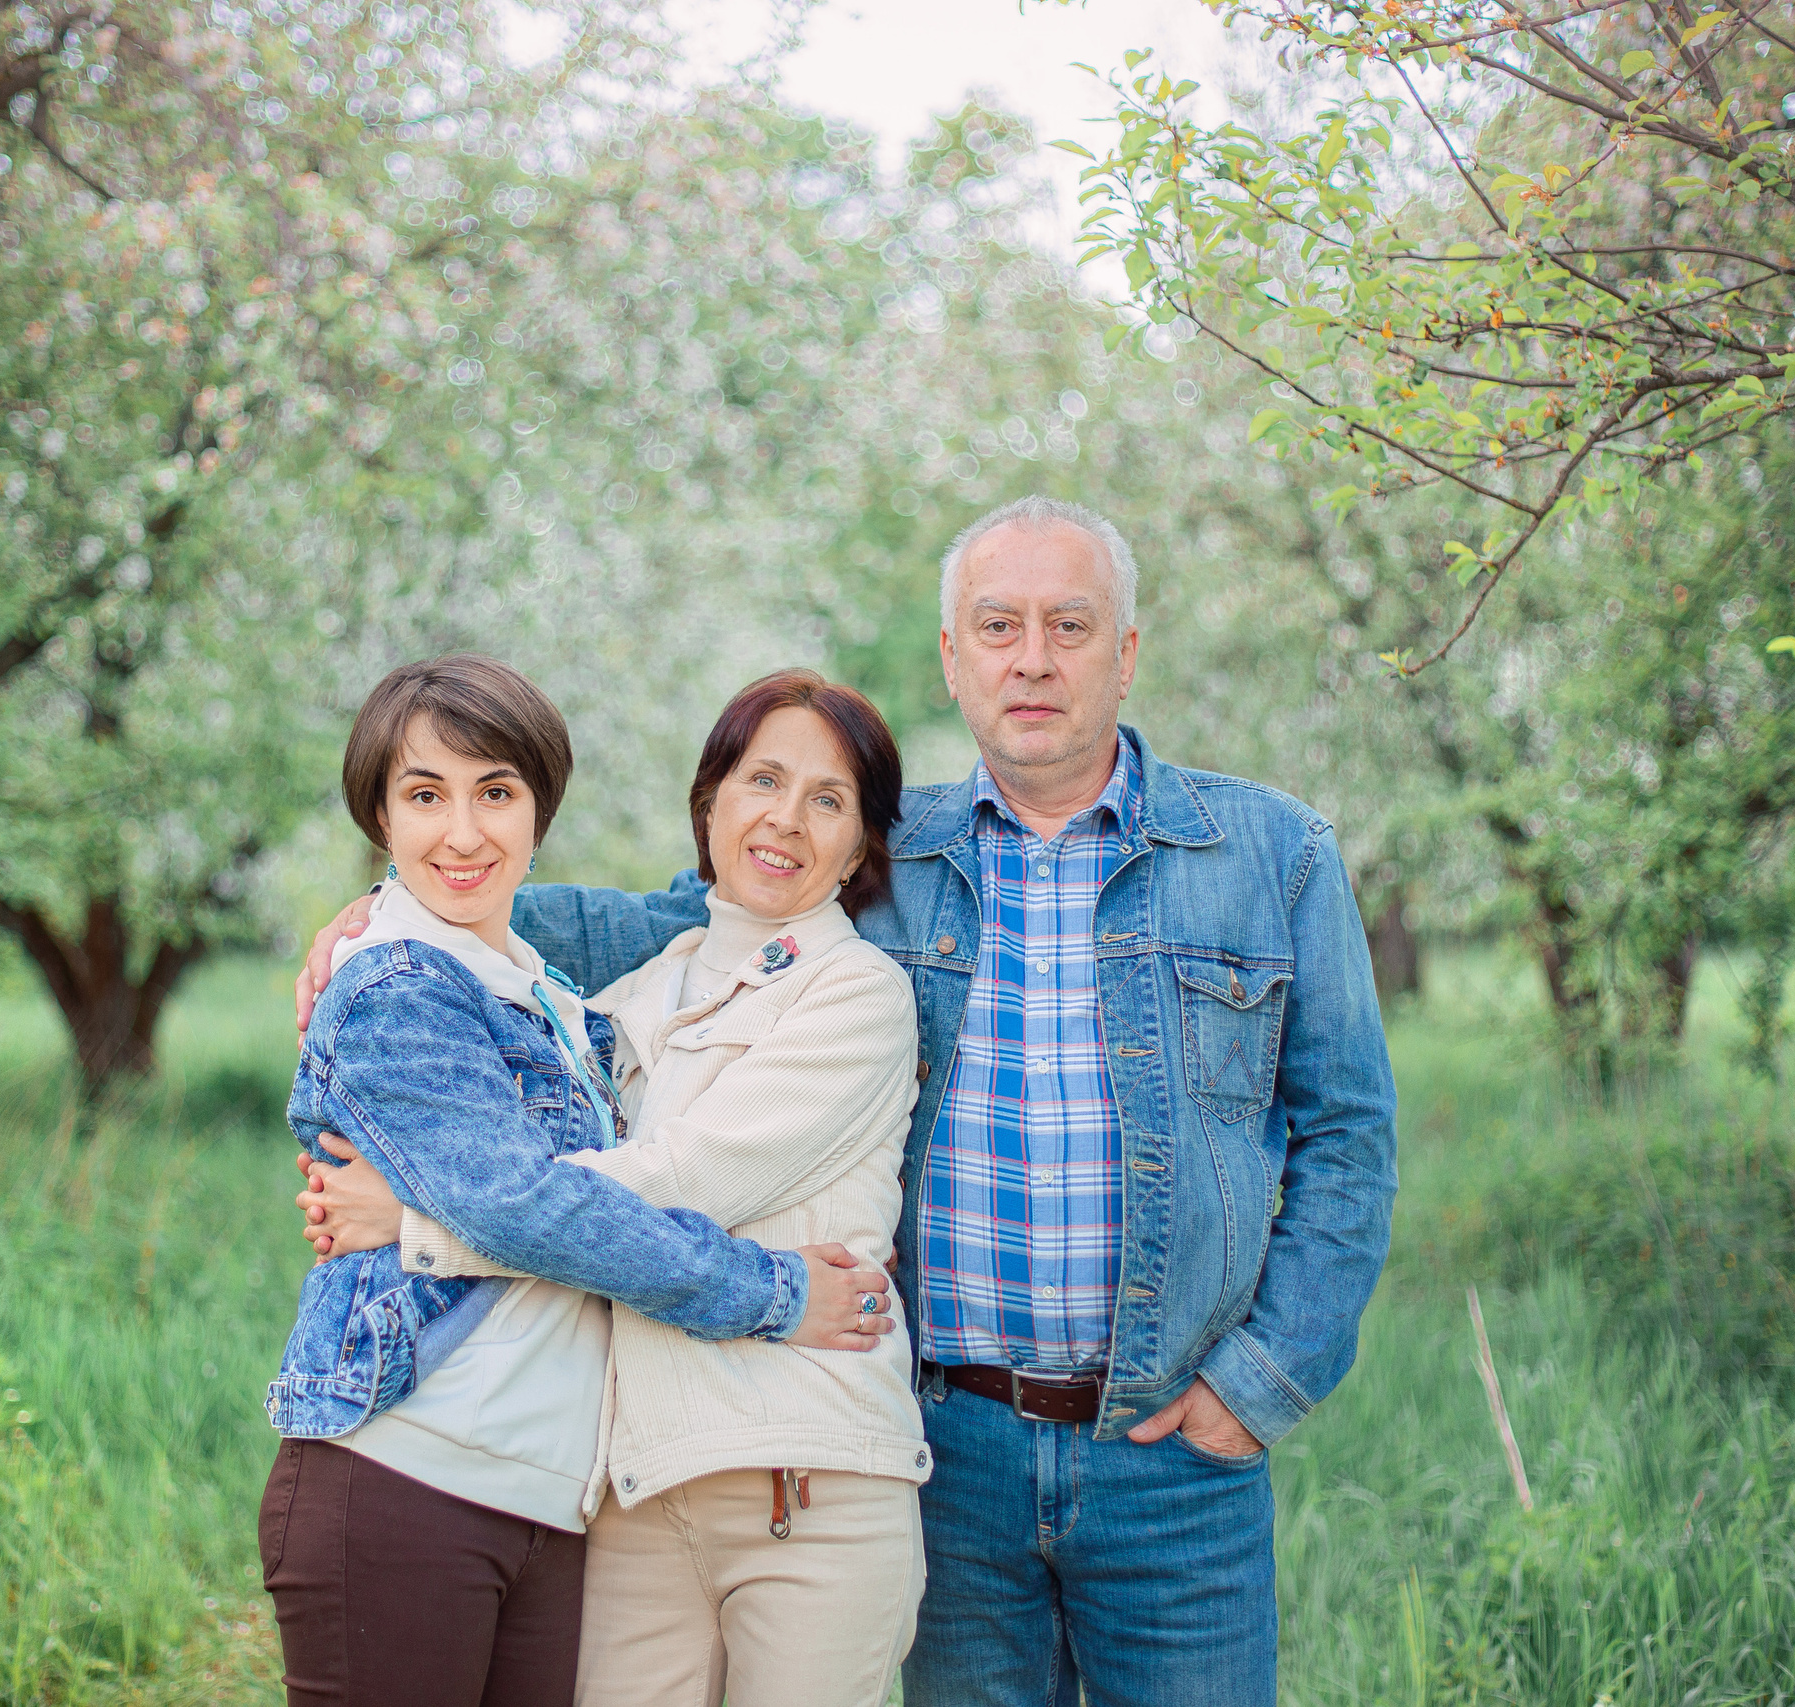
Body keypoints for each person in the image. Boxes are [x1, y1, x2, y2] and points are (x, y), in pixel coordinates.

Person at [299, 498, 1400, 1707]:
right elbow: (653, 917)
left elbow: (1346, 1140)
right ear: (951, 654)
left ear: (1125, 651)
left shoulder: (1265, 854)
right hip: (956, 1443)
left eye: (1069, 626)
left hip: (1164, 1448)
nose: (1031, 657)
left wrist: (1259, 1385)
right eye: (997, 625)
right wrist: (382, 912)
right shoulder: (891, 851)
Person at [266, 653, 894, 1707]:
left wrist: (420, 1220)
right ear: (378, 816)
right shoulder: (400, 987)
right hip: (413, 1468)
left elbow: (566, 1194)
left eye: (495, 793)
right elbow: (530, 1206)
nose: (462, 832)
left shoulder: (552, 992)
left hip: (553, 1498)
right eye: (423, 797)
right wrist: (775, 1292)